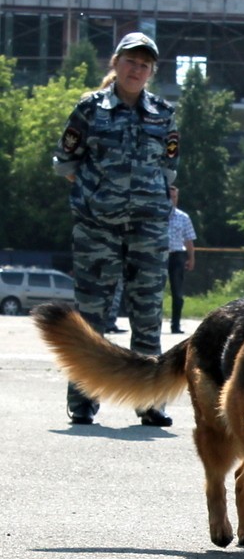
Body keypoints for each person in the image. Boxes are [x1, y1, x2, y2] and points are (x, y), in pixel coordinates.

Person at [52, 31, 179, 426]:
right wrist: (96, 197)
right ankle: (83, 401)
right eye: (130, 62)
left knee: (148, 315)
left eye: (144, 65)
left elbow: (169, 168)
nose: (136, 70)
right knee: (91, 316)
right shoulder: (90, 109)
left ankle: (149, 400)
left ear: (151, 72)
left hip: (148, 230)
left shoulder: (163, 113)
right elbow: (65, 162)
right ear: (116, 63)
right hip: (97, 230)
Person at [167, 185, 196, 334]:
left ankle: (175, 325)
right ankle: (153, 323)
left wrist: (191, 258)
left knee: (177, 293)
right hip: (159, 255)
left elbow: (189, 240)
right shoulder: (156, 216)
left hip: (177, 255)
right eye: (169, 197)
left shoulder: (183, 217)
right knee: (155, 292)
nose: (172, 200)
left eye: (174, 197)